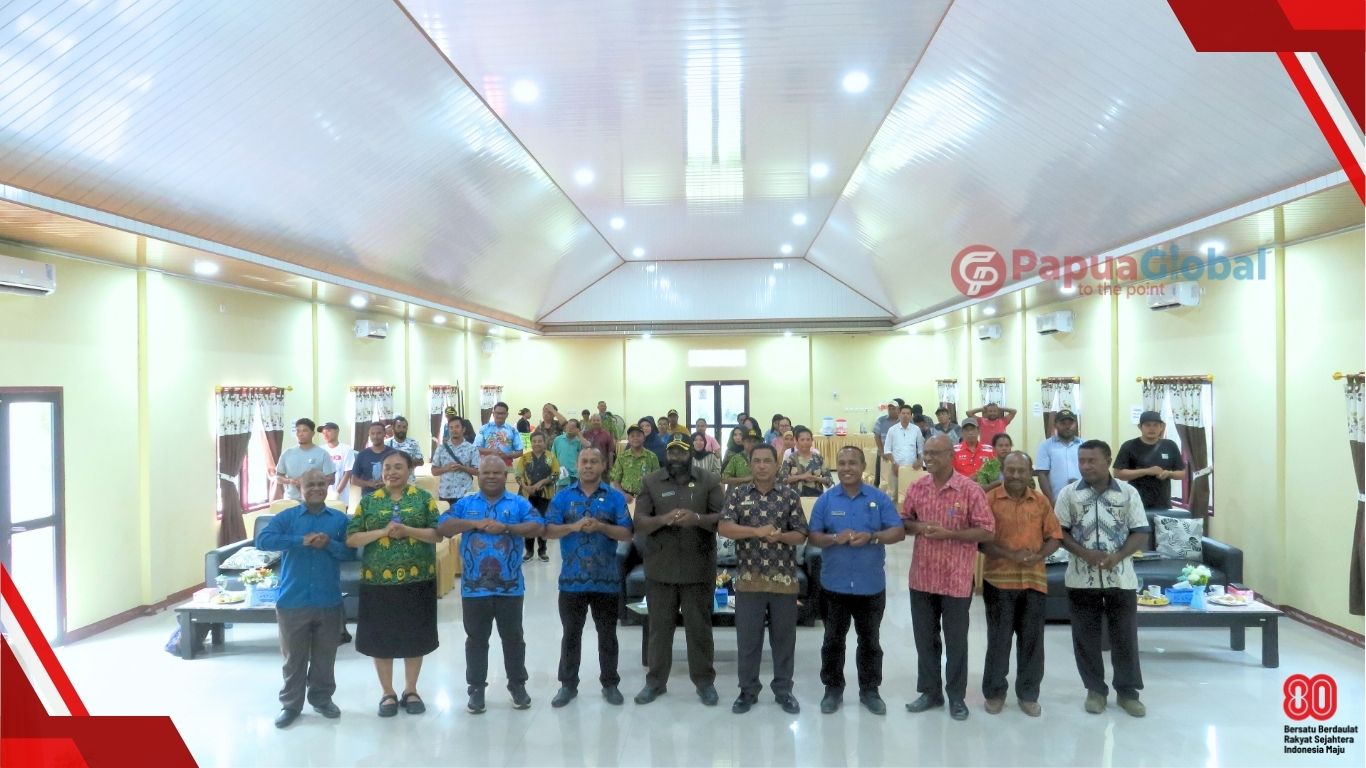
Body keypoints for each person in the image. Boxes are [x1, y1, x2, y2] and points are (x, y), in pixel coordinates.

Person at [436, 456, 545, 714]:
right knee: (476, 640)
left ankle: (517, 685)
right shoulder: (466, 503)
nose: (492, 476)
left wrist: (508, 527)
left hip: (510, 588)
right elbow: (443, 526)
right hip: (474, 589)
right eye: (486, 472)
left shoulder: (518, 503)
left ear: (505, 475)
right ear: (479, 475)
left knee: (514, 638)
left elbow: (539, 526)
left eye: (497, 472)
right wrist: (473, 523)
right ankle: (476, 689)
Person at [901, 435, 995, 722]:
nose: (928, 458)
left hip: (956, 578)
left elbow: (987, 530)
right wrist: (920, 527)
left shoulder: (970, 490)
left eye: (935, 453)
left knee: (956, 641)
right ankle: (930, 692)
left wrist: (951, 534)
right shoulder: (917, 487)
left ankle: (956, 696)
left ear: (950, 456)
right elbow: (904, 522)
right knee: (925, 638)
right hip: (922, 576)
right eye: (926, 453)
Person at [807, 446, 906, 715]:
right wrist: (834, 538)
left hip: (870, 585)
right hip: (834, 585)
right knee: (832, 641)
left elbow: (898, 531)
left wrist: (873, 537)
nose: (846, 468)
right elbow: (813, 536)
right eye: (841, 463)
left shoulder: (878, 499)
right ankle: (833, 689)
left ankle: (870, 691)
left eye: (852, 463)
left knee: (870, 642)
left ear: (863, 466)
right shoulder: (826, 500)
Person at [1056, 440, 1150, 718]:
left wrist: (1117, 556)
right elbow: (1059, 533)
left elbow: (1140, 532)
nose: (1085, 466)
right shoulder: (1068, 494)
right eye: (1081, 460)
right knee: (1085, 638)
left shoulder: (1128, 493)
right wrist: (1085, 554)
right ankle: (1095, 690)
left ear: (1107, 461)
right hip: (1081, 579)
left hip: (1120, 579)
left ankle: (1128, 693)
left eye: (1091, 460)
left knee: (1125, 637)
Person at [345, 451, 442, 718]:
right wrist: (382, 531)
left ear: (409, 470)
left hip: (418, 579)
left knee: (415, 636)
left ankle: (411, 690)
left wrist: (408, 530)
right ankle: (387, 692)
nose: (391, 472)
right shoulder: (369, 501)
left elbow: (437, 535)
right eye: (387, 467)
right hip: (378, 581)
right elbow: (352, 538)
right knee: (381, 637)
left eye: (398, 467)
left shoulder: (423, 499)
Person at [256, 470, 355, 728]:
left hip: (328, 600)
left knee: (325, 658)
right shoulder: (287, 517)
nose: (316, 488)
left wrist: (329, 544)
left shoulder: (339, 520)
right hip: (292, 600)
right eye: (310, 484)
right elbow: (262, 540)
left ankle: (322, 699)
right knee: (293, 659)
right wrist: (301, 540)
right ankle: (291, 705)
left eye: (321, 484)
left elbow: (350, 553)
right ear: (300, 487)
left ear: (328, 486)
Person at [632, 436, 724, 707]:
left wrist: (697, 519)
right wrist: (663, 519)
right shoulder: (651, 482)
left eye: (681, 452)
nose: (675, 457)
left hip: (698, 568)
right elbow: (639, 522)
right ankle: (655, 682)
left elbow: (723, 518)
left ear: (690, 454)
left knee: (699, 629)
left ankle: (704, 683)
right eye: (671, 452)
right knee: (659, 630)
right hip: (661, 568)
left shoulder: (709, 480)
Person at [718, 443, 809, 715]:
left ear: (776, 464)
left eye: (767, 461)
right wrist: (756, 532)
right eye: (756, 461)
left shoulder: (789, 495)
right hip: (749, 580)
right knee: (748, 641)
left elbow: (801, 534)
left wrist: (781, 536)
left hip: (784, 581)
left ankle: (783, 690)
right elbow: (724, 527)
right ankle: (747, 691)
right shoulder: (738, 494)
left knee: (784, 641)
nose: (761, 466)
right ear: (750, 464)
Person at [544, 448, 634, 708]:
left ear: (603, 465)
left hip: (606, 580)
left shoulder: (615, 498)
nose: (588, 466)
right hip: (571, 580)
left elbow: (627, 533)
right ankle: (568, 685)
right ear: (577, 464)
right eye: (584, 461)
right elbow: (547, 530)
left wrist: (602, 527)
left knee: (608, 635)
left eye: (594, 461)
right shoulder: (563, 497)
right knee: (571, 634)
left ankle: (610, 684)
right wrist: (572, 527)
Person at [980, 452, 1062, 717]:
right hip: (998, 581)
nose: (1016, 475)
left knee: (1032, 642)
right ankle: (995, 693)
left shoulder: (1040, 501)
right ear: (1003, 471)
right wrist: (1009, 555)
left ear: (1030, 474)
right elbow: (981, 541)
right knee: (999, 641)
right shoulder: (989, 500)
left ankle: (1028, 695)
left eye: (1021, 470)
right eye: (1011, 470)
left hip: (1033, 581)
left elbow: (1055, 536)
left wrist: (1039, 556)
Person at [1113, 411, 1186, 512]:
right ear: (1140, 427)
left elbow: (1182, 474)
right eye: (1148, 425)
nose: (1152, 428)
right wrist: (1146, 471)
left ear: (1161, 427)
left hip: (1163, 504)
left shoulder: (1170, 445)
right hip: (1135, 503)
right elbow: (1118, 473)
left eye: (1156, 425)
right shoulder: (1129, 446)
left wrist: (1169, 474)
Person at [513, 432, 560, 563]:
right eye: (534, 441)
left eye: (540, 441)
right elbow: (518, 475)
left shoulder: (551, 457)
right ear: (531, 443)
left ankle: (542, 551)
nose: (537, 443)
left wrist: (542, 482)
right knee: (528, 522)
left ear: (545, 442)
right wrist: (525, 487)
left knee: (543, 522)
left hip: (545, 495)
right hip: (527, 496)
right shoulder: (525, 458)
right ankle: (529, 551)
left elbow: (556, 474)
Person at [274, 418, 336, 501]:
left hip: (314, 501)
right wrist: (290, 481)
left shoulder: (323, 454)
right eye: (298, 431)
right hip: (291, 500)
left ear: (313, 433)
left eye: (304, 431)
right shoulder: (287, 453)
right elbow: (278, 477)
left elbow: (331, 479)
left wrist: (308, 482)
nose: (300, 434)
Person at [1035, 410, 1083, 503]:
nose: (1067, 426)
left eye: (1070, 423)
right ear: (1055, 425)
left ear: (1076, 424)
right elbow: (1042, 475)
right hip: (1057, 500)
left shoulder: (1084, 445)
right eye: (1063, 423)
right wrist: (1051, 501)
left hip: (1083, 499)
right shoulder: (1046, 446)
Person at [432, 412, 479, 504]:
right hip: (445, 494)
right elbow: (434, 471)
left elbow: (477, 471)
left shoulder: (472, 448)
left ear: (463, 429)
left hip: (465, 494)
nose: (454, 430)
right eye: (451, 427)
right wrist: (447, 468)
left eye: (457, 427)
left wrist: (462, 467)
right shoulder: (441, 448)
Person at [883, 404, 926, 500]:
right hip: (896, 467)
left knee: (912, 495)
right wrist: (894, 463)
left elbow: (921, 449)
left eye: (908, 413)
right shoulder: (892, 430)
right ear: (899, 414)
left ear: (911, 416)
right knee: (894, 495)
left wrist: (920, 460)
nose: (905, 415)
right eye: (903, 413)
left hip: (912, 467)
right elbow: (887, 450)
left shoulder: (916, 429)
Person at [609, 425, 659, 504]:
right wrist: (623, 494)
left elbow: (656, 480)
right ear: (628, 439)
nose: (635, 438)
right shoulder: (622, 457)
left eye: (638, 435)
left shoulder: (652, 457)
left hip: (646, 498)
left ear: (644, 438)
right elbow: (616, 481)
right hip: (626, 498)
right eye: (632, 436)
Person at [780, 426, 831, 497]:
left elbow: (830, 481)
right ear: (796, 441)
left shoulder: (818, 458)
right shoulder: (790, 459)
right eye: (802, 440)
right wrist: (801, 477)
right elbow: (781, 480)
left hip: (816, 496)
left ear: (812, 441)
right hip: (795, 498)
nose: (805, 442)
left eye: (808, 439)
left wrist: (816, 478)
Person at [351, 423, 397, 494]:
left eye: (379, 433)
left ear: (384, 434)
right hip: (368, 498)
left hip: (390, 496)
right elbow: (354, 480)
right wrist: (368, 483)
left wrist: (386, 482)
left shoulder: (393, 454)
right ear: (369, 434)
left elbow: (400, 476)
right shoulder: (362, 455)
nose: (375, 436)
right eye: (372, 433)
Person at [476, 402, 524, 467]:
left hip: (506, 466)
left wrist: (506, 455)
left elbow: (520, 452)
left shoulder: (513, 430)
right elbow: (476, 448)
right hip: (486, 466)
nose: (500, 416)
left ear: (507, 414)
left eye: (502, 413)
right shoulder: (484, 429)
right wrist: (492, 451)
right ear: (493, 414)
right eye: (497, 413)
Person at [872, 397, 904, 492]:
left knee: (899, 477)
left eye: (893, 408)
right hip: (883, 454)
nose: (891, 410)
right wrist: (882, 451)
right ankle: (877, 495)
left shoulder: (904, 420)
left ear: (898, 409)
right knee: (879, 478)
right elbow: (877, 436)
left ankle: (897, 495)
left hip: (899, 454)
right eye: (889, 408)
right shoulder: (881, 420)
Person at [318, 422, 354, 502]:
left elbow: (347, 473)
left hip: (342, 497)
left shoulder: (346, 449)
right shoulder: (320, 450)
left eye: (328, 431)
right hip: (323, 495)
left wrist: (337, 493)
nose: (325, 434)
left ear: (337, 431)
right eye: (323, 432)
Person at [551, 418, 590, 489]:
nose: (569, 429)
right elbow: (553, 456)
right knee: (561, 495)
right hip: (562, 476)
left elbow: (588, 447)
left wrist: (579, 436)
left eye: (572, 427)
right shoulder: (558, 440)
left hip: (576, 476)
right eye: (568, 426)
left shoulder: (579, 441)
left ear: (577, 429)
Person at [384, 416, 425, 482]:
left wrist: (404, 462)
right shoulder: (386, 443)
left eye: (404, 427)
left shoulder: (413, 443)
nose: (402, 430)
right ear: (393, 428)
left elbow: (421, 462)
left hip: (409, 482)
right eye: (399, 427)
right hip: (391, 481)